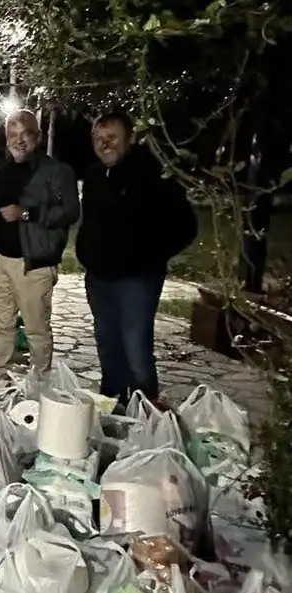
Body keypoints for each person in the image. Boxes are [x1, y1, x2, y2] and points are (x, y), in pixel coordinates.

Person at [78, 111, 197, 404]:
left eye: (112, 137)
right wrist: (87, 254)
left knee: (136, 350)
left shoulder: (153, 174)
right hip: (99, 279)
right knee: (108, 346)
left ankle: (146, 411)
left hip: (137, 281)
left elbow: (186, 226)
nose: (104, 144)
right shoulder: (94, 176)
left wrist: (148, 256)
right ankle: (112, 405)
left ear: (129, 138)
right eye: (98, 138)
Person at [0, 109, 80, 379]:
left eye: (25, 133)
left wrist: (27, 213)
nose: (19, 140)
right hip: (1, 259)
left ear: (37, 137)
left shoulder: (57, 171)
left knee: (36, 328)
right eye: (12, 134)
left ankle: (40, 380)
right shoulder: (0, 171)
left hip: (35, 262)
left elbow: (70, 211)